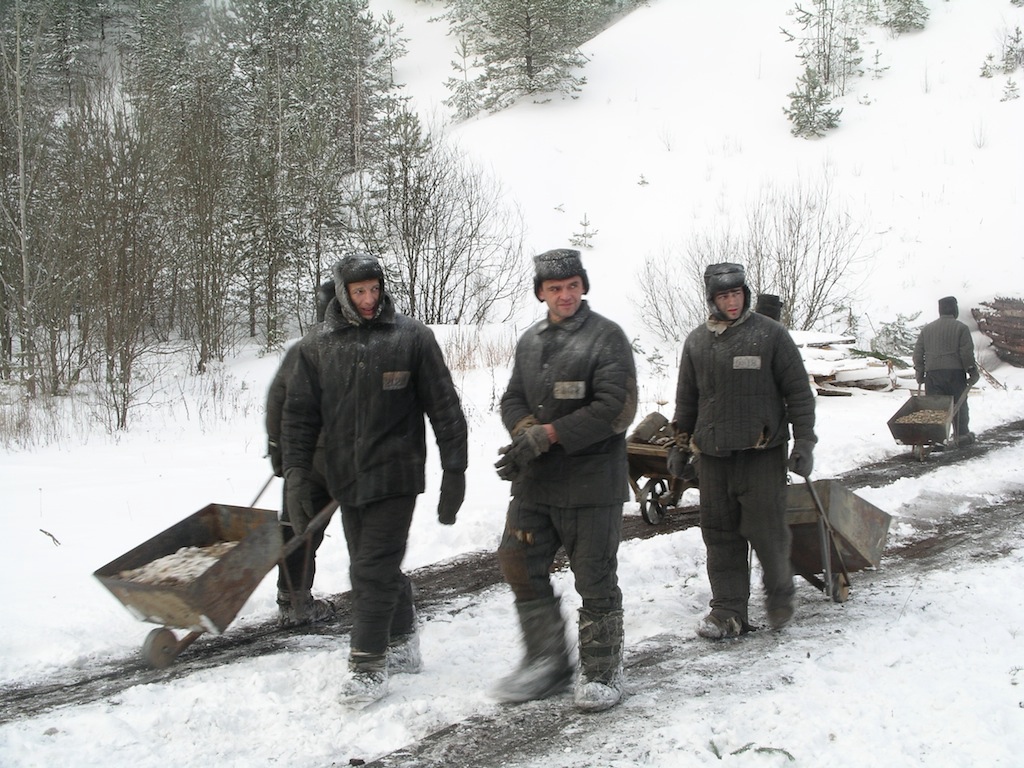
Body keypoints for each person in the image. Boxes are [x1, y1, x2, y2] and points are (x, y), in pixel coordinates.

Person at [281, 251, 469, 704]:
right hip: (347, 478)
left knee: (368, 569)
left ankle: (368, 662)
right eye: (358, 291)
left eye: (374, 289)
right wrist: (295, 476)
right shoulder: (318, 347)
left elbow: (445, 408)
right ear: (343, 293)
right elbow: (298, 418)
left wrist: (454, 471)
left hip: (397, 475)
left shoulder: (411, 338)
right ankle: (403, 641)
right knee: (377, 565)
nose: (368, 299)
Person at [492, 248, 638, 713]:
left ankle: (601, 671)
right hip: (537, 483)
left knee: (594, 576)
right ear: (541, 293)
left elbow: (616, 409)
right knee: (517, 560)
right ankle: (547, 662)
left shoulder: (607, 338)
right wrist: (524, 433)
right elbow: (512, 397)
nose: (565, 295)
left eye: (572, 285)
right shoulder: (530, 341)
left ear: (583, 286)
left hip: (592, 484)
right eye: (554, 288)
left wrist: (551, 434)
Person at [670, 263, 816, 640]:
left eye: (737, 294)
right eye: (723, 296)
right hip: (714, 458)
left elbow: (799, 393)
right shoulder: (697, 342)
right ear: (712, 300)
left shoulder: (770, 336)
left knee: (766, 532)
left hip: (761, 454)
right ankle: (728, 611)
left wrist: (804, 443)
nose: (732, 302)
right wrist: (680, 444)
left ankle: (780, 595)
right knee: (719, 535)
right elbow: (687, 400)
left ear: (745, 294)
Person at [266, 280, 337, 628]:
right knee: (367, 524)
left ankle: (291, 598)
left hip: (299, 457)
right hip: (335, 458)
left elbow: (276, 402)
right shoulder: (354, 349)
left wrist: (278, 451)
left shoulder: (300, 349)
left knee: (297, 525)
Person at [913, 296, 979, 446]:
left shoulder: (927, 330)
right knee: (959, 404)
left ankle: (935, 438)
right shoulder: (961, 328)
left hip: (933, 376)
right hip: (955, 374)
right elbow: (966, 353)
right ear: (954, 310)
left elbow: (918, 354)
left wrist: (920, 373)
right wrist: (972, 371)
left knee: (936, 408)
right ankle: (961, 435)